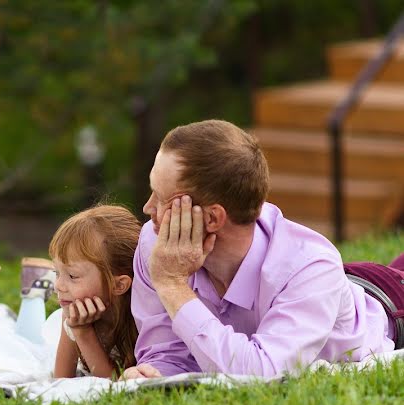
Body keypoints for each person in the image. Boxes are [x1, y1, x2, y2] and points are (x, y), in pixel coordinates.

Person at [126, 119, 404, 380]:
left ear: (212, 219)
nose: (147, 208)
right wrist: (155, 374)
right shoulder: (155, 242)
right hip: (323, 293)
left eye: (162, 199)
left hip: (388, 299)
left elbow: (261, 374)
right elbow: (166, 354)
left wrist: (173, 287)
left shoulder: (310, 267)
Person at [48, 204, 141, 379]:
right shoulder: (71, 314)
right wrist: (78, 330)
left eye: (73, 276)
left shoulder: (140, 318)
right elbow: (61, 380)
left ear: (118, 285)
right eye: (57, 273)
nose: (58, 285)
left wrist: (84, 334)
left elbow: (111, 386)